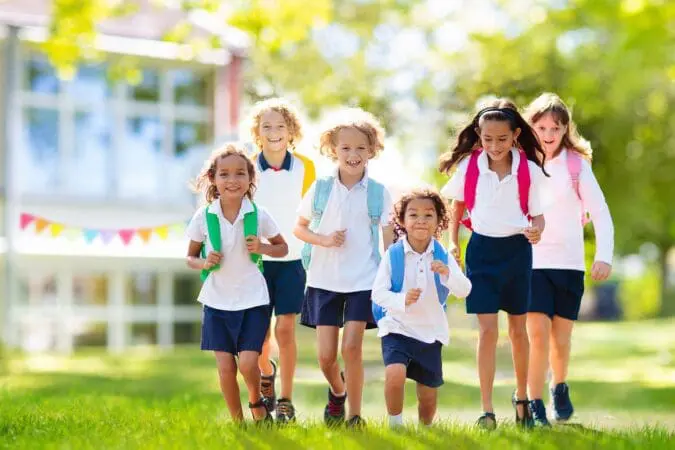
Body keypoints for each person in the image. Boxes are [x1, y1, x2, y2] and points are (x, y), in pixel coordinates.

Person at [439, 99, 548, 429]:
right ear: (478, 135)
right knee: (487, 332)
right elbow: (456, 209)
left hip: (517, 253)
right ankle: (487, 410)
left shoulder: (527, 169)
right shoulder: (469, 168)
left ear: (515, 135)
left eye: (502, 139)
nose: (495, 146)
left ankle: (522, 399)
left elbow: (539, 216)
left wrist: (537, 232)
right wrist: (452, 242)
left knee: (518, 331)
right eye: (488, 139)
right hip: (481, 253)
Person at [294, 108, 395, 428]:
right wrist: (322, 240)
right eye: (346, 148)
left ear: (372, 151)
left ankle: (355, 415)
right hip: (324, 281)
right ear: (332, 149)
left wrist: (394, 280)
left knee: (352, 348)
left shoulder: (379, 192)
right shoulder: (322, 188)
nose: (353, 155)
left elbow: (389, 240)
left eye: (360, 148)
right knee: (326, 358)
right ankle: (337, 393)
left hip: (363, 281)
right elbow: (299, 228)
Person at [524, 93, 614, 426]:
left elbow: (601, 213)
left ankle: (558, 386)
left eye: (555, 128)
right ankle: (534, 405)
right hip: (532, 263)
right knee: (538, 335)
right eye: (542, 126)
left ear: (565, 130)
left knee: (560, 340)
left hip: (570, 263)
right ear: (530, 127)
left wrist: (604, 256)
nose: (548, 134)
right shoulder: (521, 163)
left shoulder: (576, 165)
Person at [185, 143, 288, 423]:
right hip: (216, 300)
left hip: (253, 299)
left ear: (250, 178)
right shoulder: (204, 217)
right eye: (225, 174)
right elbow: (190, 258)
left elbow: (283, 248)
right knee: (225, 368)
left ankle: (256, 400)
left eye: (240, 173)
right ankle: (238, 423)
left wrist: (263, 248)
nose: (233, 180)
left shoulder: (258, 214)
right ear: (214, 179)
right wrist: (204, 263)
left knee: (246, 362)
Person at [372, 188, 472, 428]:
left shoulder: (442, 255)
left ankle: (425, 429)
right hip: (397, 327)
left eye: (428, 215)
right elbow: (377, 294)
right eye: (413, 215)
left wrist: (448, 274)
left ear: (439, 221)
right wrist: (402, 300)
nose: (421, 221)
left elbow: (465, 290)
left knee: (427, 397)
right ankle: (395, 426)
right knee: (394, 374)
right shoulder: (393, 254)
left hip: (430, 332)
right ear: (403, 221)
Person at [248, 98, 316, 423]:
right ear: (257, 133)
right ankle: (266, 375)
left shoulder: (306, 167)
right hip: (258, 262)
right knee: (260, 335)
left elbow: (312, 214)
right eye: (267, 126)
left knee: (286, 329)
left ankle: (286, 400)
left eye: (280, 126)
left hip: (292, 262)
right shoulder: (247, 167)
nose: (274, 132)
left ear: (291, 132)